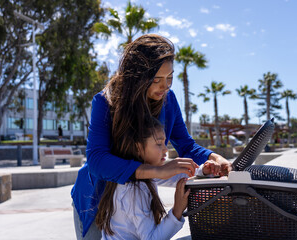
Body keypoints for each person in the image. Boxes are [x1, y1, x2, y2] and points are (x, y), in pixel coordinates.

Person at [71, 34, 232, 239]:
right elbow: (97, 160)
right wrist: (157, 170)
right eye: (157, 79)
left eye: (170, 77)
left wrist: (213, 158)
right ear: (137, 77)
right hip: (96, 201)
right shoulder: (106, 102)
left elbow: (186, 146)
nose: (165, 86)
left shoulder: (168, 100)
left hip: (137, 199)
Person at [96, 117, 219, 240]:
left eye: (165, 143)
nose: (165, 149)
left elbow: (174, 176)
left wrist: (202, 170)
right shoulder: (135, 189)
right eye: (159, 144)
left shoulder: (140, 176)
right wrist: (177, 209)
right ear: (138, 147)